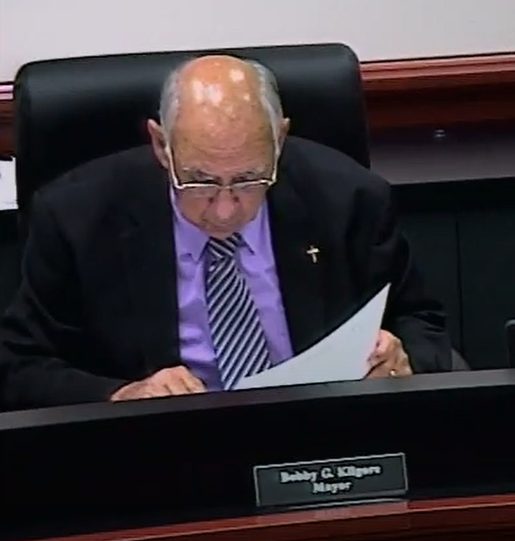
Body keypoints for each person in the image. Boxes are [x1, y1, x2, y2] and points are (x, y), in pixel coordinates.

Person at [0, 55, 452, 409]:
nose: (223, 210)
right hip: (161, 450)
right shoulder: (78, 217)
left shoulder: (349, 199)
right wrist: (121, 395)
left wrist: (403, 359)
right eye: (199, 181)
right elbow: (19, 365)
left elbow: (422, 323)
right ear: (161, 145)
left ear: (279, 140)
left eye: (249, 179)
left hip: (318, 435)